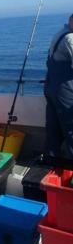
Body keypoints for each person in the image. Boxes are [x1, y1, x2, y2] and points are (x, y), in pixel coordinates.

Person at [44, 13, 73, 159]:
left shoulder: (60, 33)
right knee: (71, 127)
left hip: (51, 86)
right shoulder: (70, 38)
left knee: (53, 126)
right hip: (64, 90)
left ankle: (52, 158)